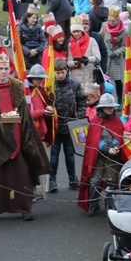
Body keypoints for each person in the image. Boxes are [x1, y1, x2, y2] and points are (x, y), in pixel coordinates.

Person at [0, 53, 51, 221]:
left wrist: (26, 133)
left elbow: (23, 115)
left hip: (16, 137)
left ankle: (25, 207)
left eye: (6, 69)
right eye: (0, 69)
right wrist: (5, 118)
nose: (3, 72)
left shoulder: (17, 88)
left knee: (21, 173)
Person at [78, 93, 126, 217]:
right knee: (95, 180)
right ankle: (93, 205)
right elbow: (94, 141)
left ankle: (110, 206)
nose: (111, 109)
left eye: (112, 107)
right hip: (98, 156)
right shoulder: (95, 121)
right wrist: (106, 148)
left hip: (113, 156)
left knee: (111, 180)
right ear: (101, 108)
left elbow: (119, 136)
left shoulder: (116, 120)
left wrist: (116, 146)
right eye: (108, 107)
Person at [50, 58, 86, 192]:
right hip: (55, 126)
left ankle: (72, 178)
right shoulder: (50, 85)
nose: (60, 75)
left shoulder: (75, 85)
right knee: (54, 155)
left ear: (67, 71)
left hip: (71, 125)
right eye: (57, 73)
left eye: (62, 72)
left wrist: (79, 116)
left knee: (70, 154)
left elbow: (82, 101)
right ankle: (52, 179)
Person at [101, 7, 129, 102]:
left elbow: (125, 46)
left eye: (113, 21)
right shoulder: (105, 26)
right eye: (109, 20)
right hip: (106, 55)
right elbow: (100, 37)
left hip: (116, 58)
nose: (111, 23)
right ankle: (107, 99)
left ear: (118, 20)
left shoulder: (124, 31)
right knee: (106, 79)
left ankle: (120, 99)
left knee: (118, 80)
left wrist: (117, 52)